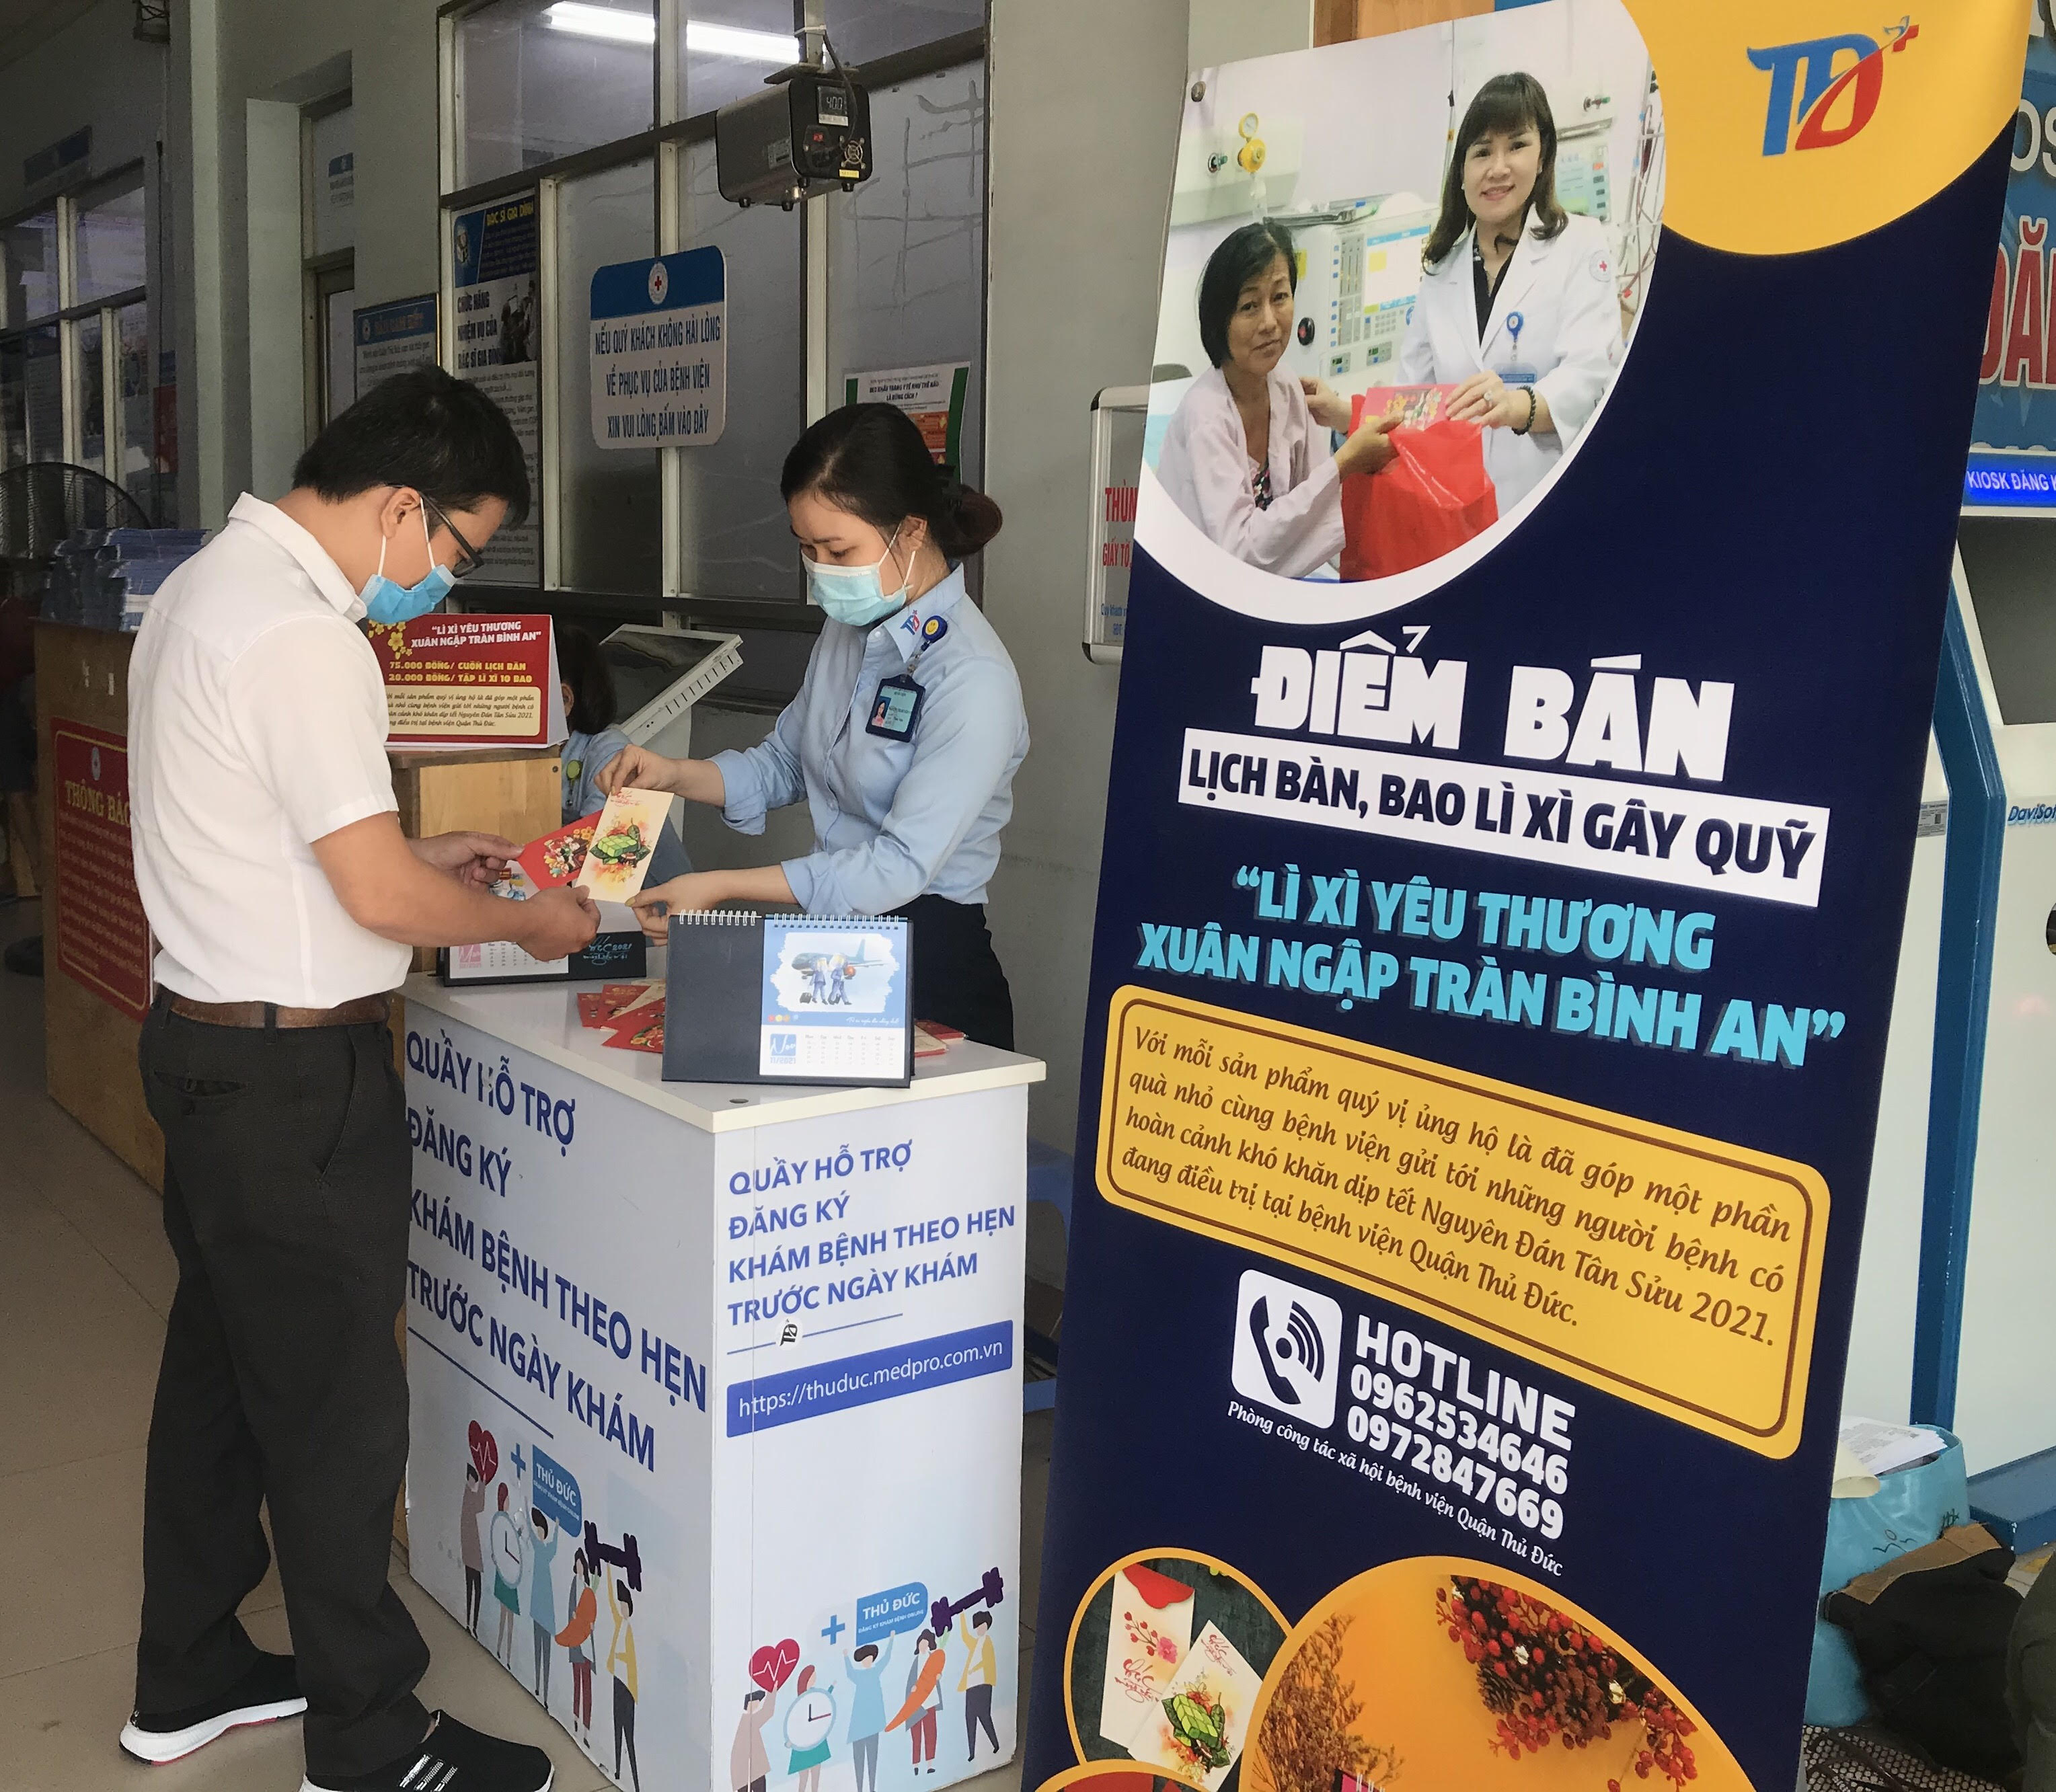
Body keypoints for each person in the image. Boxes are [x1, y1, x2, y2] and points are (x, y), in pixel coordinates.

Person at [118, 366, 596, 1792]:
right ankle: (370, 1741)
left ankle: (187, 1672)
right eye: (455, 548)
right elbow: (378, 897)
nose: (444, 584)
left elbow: (294, 844)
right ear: (400, 506)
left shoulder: (203, 590)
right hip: (291, 1085)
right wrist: (525, 917)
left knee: (219, 1382)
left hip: (204, 1046)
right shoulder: (304, 635)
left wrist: (422, 859)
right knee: (337, 1416)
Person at [601, 403, 1028, 1048]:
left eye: (837, 550)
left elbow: (898, 865)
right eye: (806, 548)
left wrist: (722, 886)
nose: (822, 569)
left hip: (930, 957)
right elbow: (785, 762)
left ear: (911, 532)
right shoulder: (849, 631)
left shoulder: (971, 677)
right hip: (838, 945)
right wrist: (672, 775)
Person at [1396, 71, 1623, 516]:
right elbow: (1412, 394)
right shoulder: (1442, 270)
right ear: (1462, 173)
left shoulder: (1580, 245)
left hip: (1547, 500)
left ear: (1542, 157)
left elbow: (1590, 374)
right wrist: (1345, 413)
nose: (1497, 168)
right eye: (1482, 152)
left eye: (1516, 146)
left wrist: (1517, 406)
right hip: (1457, 511)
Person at [1156, 219, 1399, 576]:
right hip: (1200, 589)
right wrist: (1345, 463)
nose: (1270, 322)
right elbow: (1239, 551)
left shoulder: (1285, 387)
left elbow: (1322, 508)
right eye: (1249, 306)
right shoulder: (1205, 418)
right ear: (1219, 319)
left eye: (1280, 297)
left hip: (1273, 589)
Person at [553, 619, 689, 883]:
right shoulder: (538, 752)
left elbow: (591, 856)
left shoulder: (611, 754)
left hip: (652, 901)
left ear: (565, 699)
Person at [887, 1628, 946, 1775]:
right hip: (915, 1704)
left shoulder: (933, 1659)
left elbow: (936, 1675)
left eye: (926, 1643)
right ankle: (916, 1764)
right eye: (921, 1643)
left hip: (930, 1701)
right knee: (916, 1735)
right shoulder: (916, 1661)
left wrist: (938, 1676)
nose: (923, 1646)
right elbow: (910, 1682)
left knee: (931, 1733)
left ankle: (930, 1763)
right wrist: (912, 1689)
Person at [555, 1550, 600, 1744]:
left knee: (587, 1686)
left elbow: (591, 1613)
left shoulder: (588, 1589)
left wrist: (590, 1624)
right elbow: (571, 1611)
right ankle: (575, 1717)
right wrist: (575, 1619)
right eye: (578, 1564)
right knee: (577, 1682)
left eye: (582, 1564)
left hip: (587, 1643)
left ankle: (587, 1728)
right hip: (576, 1641)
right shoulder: (575, 1584)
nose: (580, 1567)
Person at [843, 1635, 894, 1792]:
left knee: (873, 1758)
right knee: (859, 1760)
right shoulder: (859, 1676)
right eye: (864, 1659)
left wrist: (891, 1640)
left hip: (873, 1724)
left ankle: (872, 1789)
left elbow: (886, 1659)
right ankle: (859, 1789)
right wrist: (846, 1657)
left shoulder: (875, 1671)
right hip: (859, 1725)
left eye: (869, 1658)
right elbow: (850, 1673)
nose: (867, 1661)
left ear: (873, 1659)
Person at [605, 1573, 641, 1791]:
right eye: (621, 1606)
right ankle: (618, 1770)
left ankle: (635, 1781)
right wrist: (609, 1574)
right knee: (617, 1727)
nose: (621, 1609)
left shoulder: (629, 1631)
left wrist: (619, 1657)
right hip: (617, 1681)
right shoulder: (619, 1625)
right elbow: (611, 1604)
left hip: (627, 1687)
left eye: (624, 1606)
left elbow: (631, 1660)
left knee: (629, 1735)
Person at [782, 1664, 837, 1792]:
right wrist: (791, 1740)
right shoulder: (800, 1701)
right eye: (813, 1676)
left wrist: (831, 1688)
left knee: (816, 1775)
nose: (815, 1678)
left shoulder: (815, 1693)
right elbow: (795, 1724)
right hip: (802, 1744)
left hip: (816, 1740)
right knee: (804, 1776)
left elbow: (823, 1701)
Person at [525, 1508, 558, 1704]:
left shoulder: (546, 1551)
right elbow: (531, 1533)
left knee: (547, 1652)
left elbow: (554, 1545)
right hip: (538, 1608)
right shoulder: (539, 1548)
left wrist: (557, 1528)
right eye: (538, 1531)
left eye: (541, 1531)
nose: (538, 1533)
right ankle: (537, 1684)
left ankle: (545, 1691)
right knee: (538, 1649)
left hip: (545, 1609)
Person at [488, 1485, 523, 1669]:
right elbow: (501, 1546)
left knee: (508, 1618)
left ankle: (507, 1655)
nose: (509, 1501)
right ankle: (502, 1651)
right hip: (506, 1575)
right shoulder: (501, 1520)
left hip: (509, 1574)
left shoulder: (504, 1520)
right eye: (508, 1498)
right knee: (506, 1617)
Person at [957, 1608, 998, 1762]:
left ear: (987, 1626)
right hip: (971, 1685)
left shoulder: (988, 1642)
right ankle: (972, 1753)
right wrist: (962, 1617)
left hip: (984, 1683)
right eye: (978, 1627)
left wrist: (975, 1668)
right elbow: (965, 1637)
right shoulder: (975, 1643)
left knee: (984, 1716)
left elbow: (988, 1661)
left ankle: (995, 1744)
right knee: (970, 1717)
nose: (980, 1629)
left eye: (982, 1626)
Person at [459, 1466, 487, 1638]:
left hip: (470, 1550)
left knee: (474, 1587)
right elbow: (480, 1506)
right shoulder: (469, 1496)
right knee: (475, 1587)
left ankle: (471, 1623)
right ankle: (471, 1624)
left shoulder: (467, 1495)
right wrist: (483, 1483)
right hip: (472, 1550)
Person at [730, 1686, 773, 1792]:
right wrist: (773, 1690)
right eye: (756, 1702)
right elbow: (768, 1712)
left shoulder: (747, 1721)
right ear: (750, 1704)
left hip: (751, 1771)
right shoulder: (748, 1721)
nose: (758, 1705)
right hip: (750, 1772)